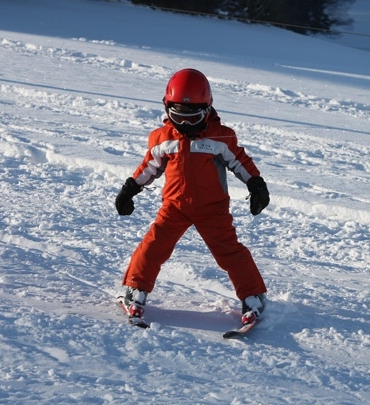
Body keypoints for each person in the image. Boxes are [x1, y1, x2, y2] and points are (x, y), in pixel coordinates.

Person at [115, 68, 270, 326]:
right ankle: (134, 289)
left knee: (230, 252)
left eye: (193, 118)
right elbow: (149, 167)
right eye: (178, 117)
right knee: (153, 247)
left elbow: (240, 161)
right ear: (167, 108)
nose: (185, 125)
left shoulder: (221, 137)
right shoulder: (162, 139)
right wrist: (130, 188)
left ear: (207, 109)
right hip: (174, 207)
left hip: (212, 209)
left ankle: (253, 296)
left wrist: (256, 185)